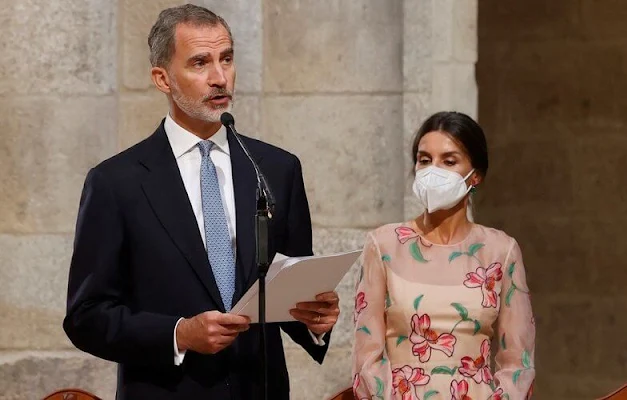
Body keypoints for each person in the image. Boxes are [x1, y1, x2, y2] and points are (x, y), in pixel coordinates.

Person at [63, 4, 339, 399]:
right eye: (199, 63)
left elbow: (288, 291)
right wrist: (179, 334)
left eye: (226, 59)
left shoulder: (276, 169)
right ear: (163, 78)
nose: (219, 77)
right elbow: (86, 316)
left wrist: (316, 321)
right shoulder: (115, 183)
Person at [352, 111, 535, 400]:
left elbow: (518, 362)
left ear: (475, 175)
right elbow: (367, 357)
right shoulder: (383, 245)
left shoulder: (501, 250)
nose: (432, 170)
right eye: (425, 160)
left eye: (449, 161)